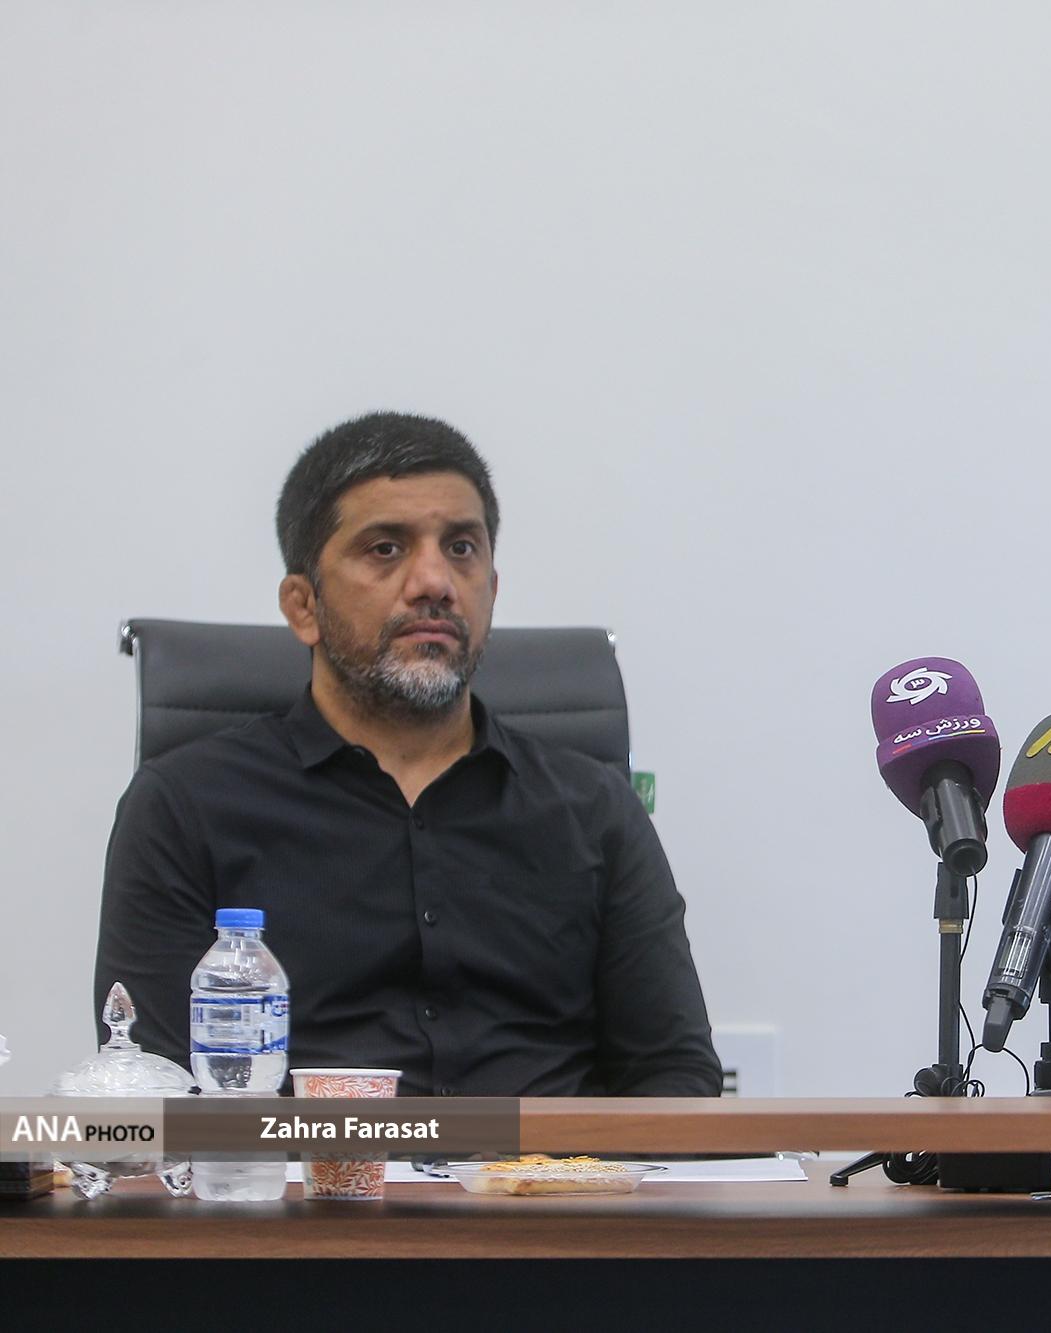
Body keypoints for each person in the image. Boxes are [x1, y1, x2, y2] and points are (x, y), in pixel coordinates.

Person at [94, 412, 722, 1097]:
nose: (434, 581)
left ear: (491, 590)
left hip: (553, 1165)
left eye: (461, 547)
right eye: (386, 548)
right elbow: (150, 1089)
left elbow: (673, 1075)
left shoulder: (595, 809)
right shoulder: (184, 806)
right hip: (302, 1166)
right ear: (303, 606)